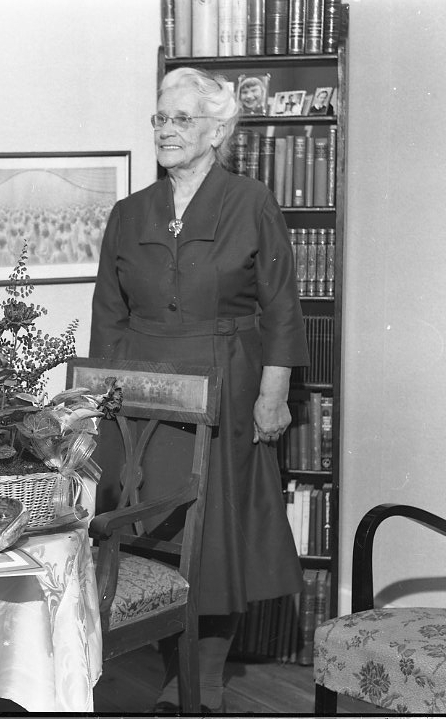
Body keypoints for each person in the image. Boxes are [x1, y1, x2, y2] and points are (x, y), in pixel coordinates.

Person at [89, 66, 309, 713]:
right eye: (160, 117)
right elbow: (108, 317)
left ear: (216, 131)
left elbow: (281, 306)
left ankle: (202, 680)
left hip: (227, 388)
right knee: (156, 526)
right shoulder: (129, 213)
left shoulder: (251, 202)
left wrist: (273, 394)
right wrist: (102, 403)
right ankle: (170, 662)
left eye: (181, 118)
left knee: (214, 536)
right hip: (143, 399)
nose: (166, 129)